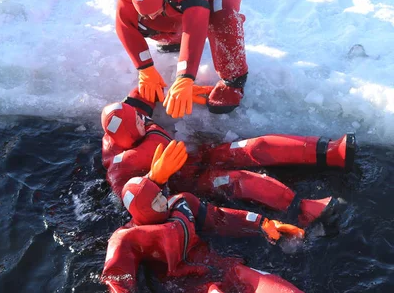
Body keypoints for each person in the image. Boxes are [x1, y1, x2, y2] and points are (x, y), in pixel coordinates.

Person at [101, 141, 350, 293]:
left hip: (218, 262)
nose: (162, 201)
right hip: (190, 284)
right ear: (141, 211)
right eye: (155, 201)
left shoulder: (181, 203)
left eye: (159, 195)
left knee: (259, 280)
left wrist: (262, 223)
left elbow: (219, 217)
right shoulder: (128, 237)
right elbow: (117, 274)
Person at [101, 90, 356, 229]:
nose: (142, 121)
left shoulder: (130, 119)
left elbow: (144, 93)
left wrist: (179, 89)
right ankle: (303, 211)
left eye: (138, 117)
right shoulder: (120, 165)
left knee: (256, 146)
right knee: (242, 180)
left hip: (198, 154)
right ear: (126, 136)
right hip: (189, 182)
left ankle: (331, 152)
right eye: (137, 122)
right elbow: (131, 199)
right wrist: (155, 178)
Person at [115, 0, 249, 116]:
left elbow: (196, 27)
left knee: (221, 16)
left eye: (155, 11)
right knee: (141, 22)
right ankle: (173, 39)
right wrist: (145, 68)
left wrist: (185, 78)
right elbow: (124, 24)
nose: (152, 17)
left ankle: (234, 80)